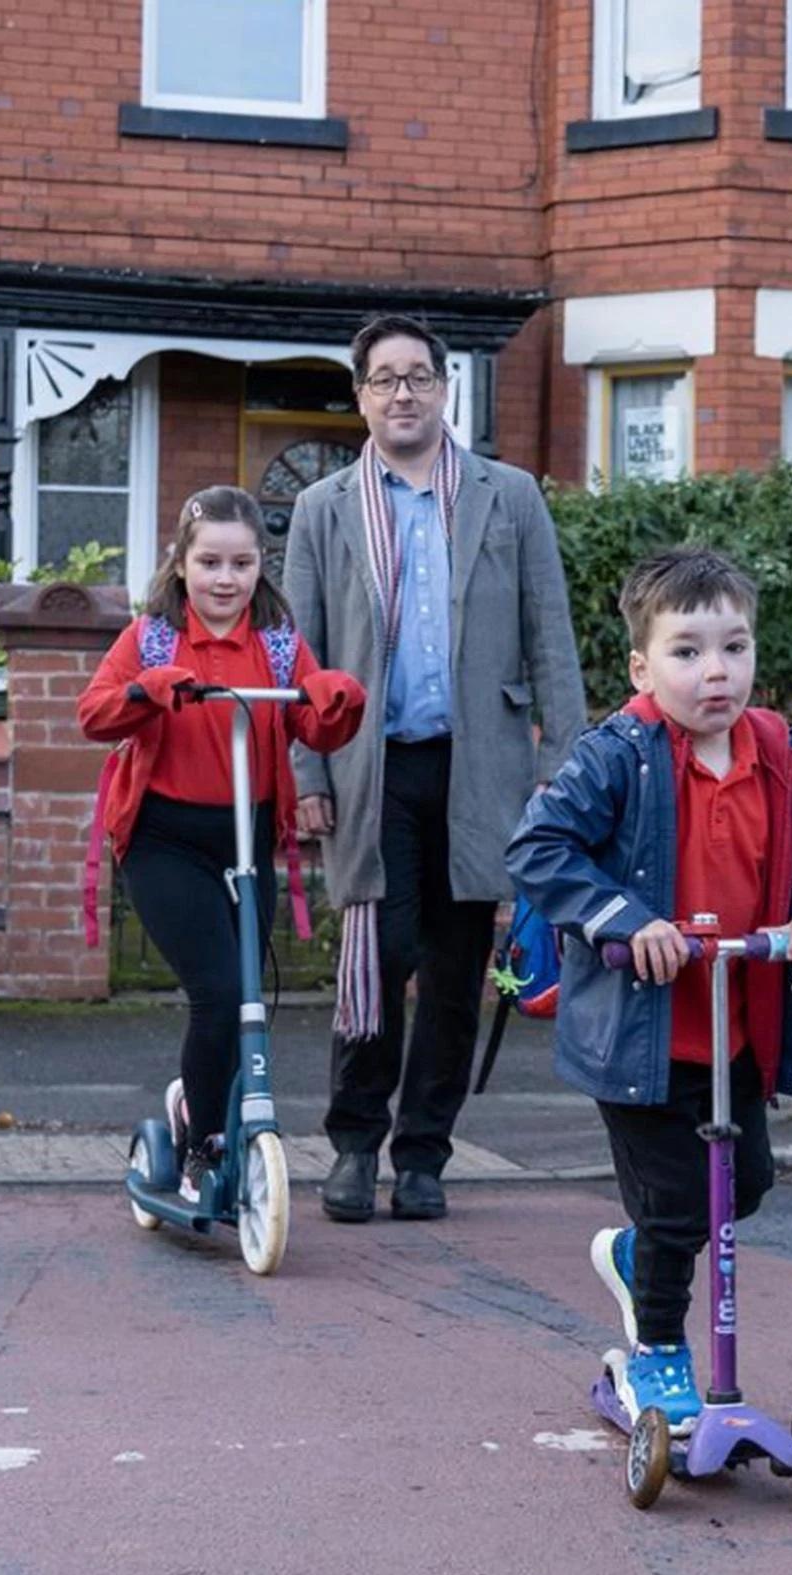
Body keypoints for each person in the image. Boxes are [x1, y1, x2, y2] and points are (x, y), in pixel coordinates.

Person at [506, 546, 792, 1431]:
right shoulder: (617, 756)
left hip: (740, 1024)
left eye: (734, 649)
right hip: (640, 1034)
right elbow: (538, 850)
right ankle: (658, 1351)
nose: (716, 672)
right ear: (642, 665)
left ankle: (633, 1259)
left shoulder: (790, 759)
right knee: (674, 1203)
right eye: (688, 651)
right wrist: (625, 918)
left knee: (743, 1189)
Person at [283, 313, 588, 1224]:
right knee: (376, 960)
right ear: (360, 395)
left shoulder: (510, 496)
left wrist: (563, 770)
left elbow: (552, 640)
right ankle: (351, 1146)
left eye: (418, 376)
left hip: (482, 768)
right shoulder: (323, 508)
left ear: (445, 389)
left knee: (457, 973)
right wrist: (308, 772)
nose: (402, 392)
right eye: (384, 378)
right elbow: (298, 655)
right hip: (371, 768)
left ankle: (424, 1156)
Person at [78, 487, 364, 1197]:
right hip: (162, 839)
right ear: (181, 564)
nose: (226, 579)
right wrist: (146, 691)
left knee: (249, 1001)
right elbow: (95, 714)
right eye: (210, 562)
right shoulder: (150, 636)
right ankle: (203, 1139)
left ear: (261, 568)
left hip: (247, 837)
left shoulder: (275, 642)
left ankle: (206, 1108)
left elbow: (317, 725)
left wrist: (335, 698)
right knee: (217, 992)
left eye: (242, 563)